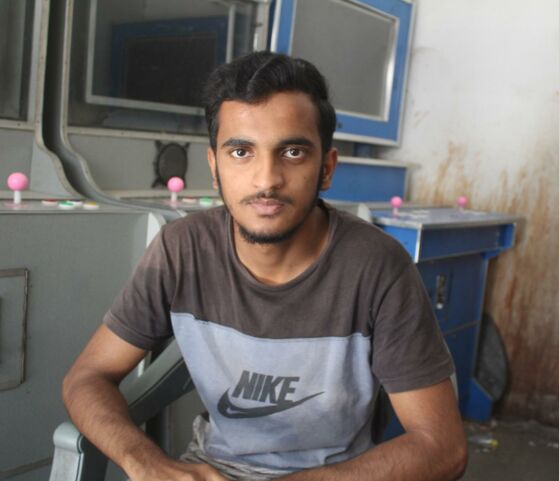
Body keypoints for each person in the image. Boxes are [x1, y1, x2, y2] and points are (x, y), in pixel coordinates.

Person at [62, 52, 467, 481]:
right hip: (215, 469)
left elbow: (443, 447)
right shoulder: (181, 250)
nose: (266, 179)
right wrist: (146, 464)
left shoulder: (377, 266)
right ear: (214, 167)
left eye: (292, 152)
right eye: (241, 152)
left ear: (326, 169)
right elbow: (87, 376)